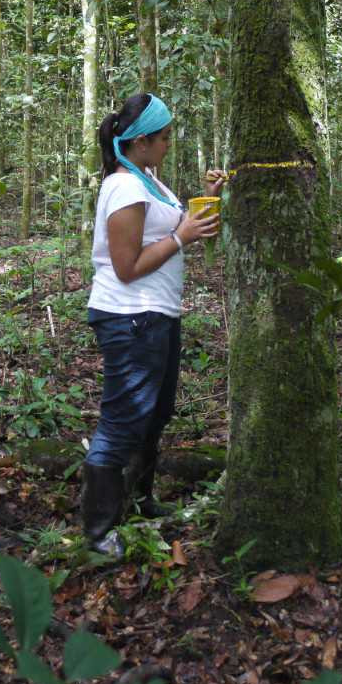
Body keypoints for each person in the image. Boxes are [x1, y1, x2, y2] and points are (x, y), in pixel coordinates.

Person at [82, 92, 226, 556]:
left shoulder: (149, 181)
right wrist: (182, 236)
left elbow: (174, 227)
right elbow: (126, 266)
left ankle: (140, 502)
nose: (169, 144)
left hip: (155, 314)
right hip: (131, 316)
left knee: (155, 414)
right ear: (140, 142)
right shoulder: (124, 187)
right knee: (124, 421)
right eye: (163, 138)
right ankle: (98, 531)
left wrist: (207, 201)